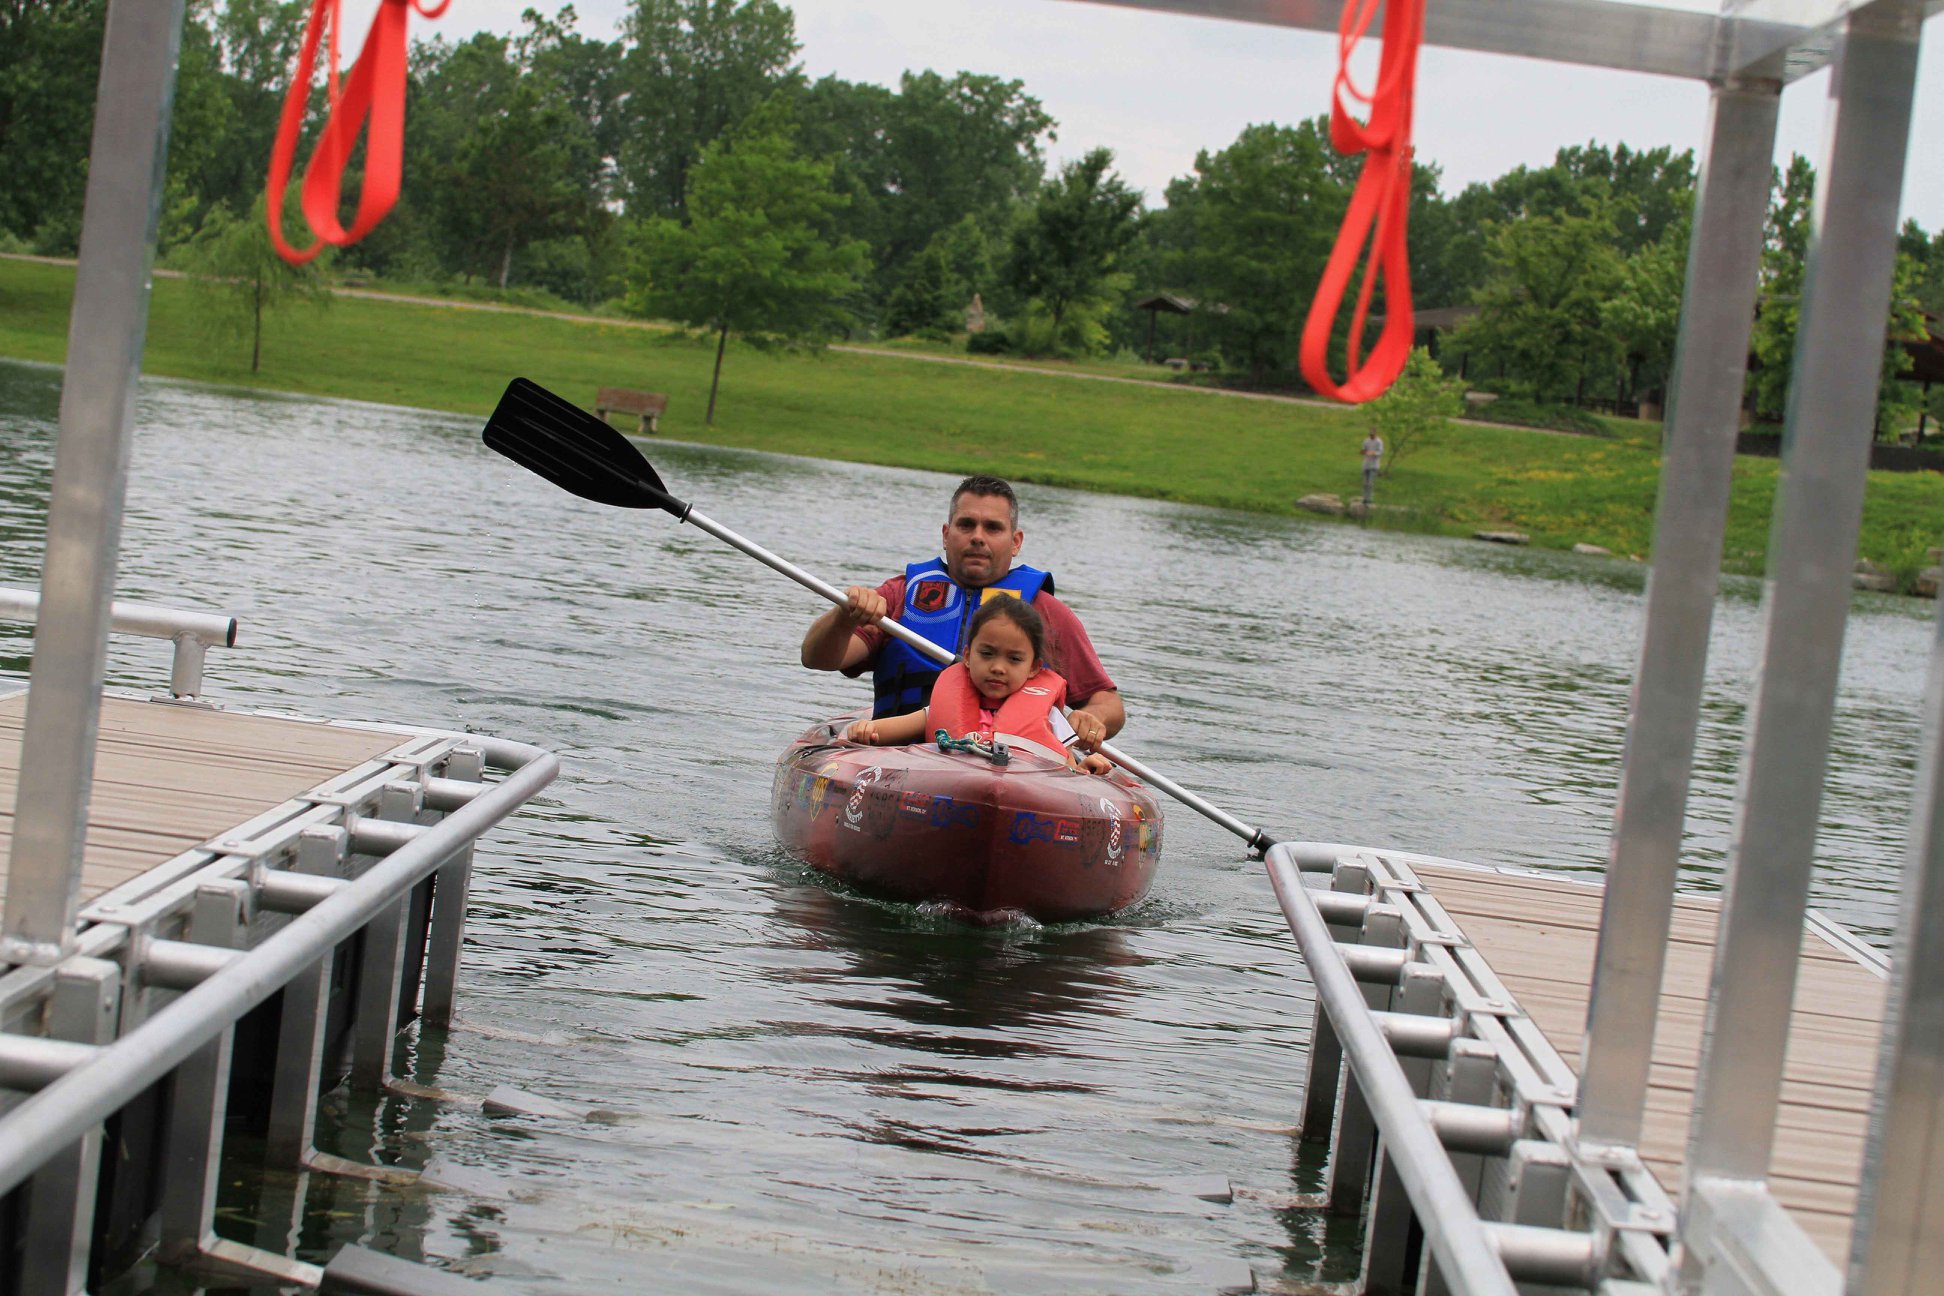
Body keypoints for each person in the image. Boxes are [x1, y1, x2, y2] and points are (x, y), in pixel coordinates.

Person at [800, 473, 1125, 753]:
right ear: (946, 534)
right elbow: (817, 658)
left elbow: (1108, 703)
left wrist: (1092, 719)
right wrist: (844, 615)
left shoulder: (1045, 613)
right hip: (895, 756)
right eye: (966, 525)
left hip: (1007, 765)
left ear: (1015, 542)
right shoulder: (899, 594)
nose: (977, 537)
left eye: (993, 528)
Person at [846, 597, 1114, 774]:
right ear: (968, 656)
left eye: (1014, 659)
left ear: (1033, 667)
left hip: (1026, 789)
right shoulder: (942, 706)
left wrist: (1085, 768)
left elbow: (1066, 764)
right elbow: (890, 729)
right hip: (954, 785)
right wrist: (867, 729)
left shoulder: (1049, 716)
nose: (998, 667)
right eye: (986, 654)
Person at [1361, 429, 1385, 507]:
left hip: (1374, 465)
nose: (1371, 435)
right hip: (1366, 465)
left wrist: (1373, 453)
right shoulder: (1366, 441)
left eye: (1372, 434)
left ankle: (1369, 499)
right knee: (1365, 483)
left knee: (1370, 483)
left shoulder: (1379, 441)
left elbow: (1380, 452)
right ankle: (1364, 498)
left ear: (1375, 434)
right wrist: (1363, 452)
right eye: (1370, 434)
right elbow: (1364, 450)